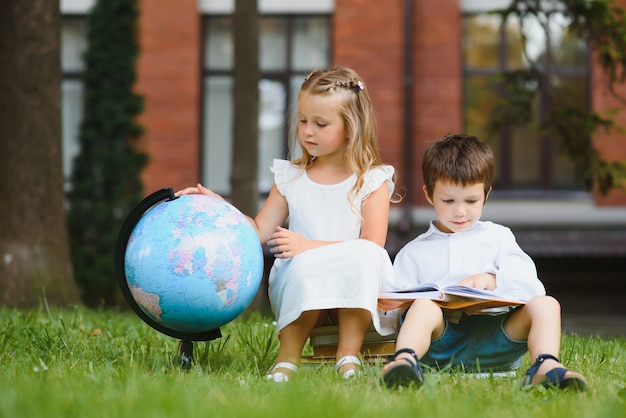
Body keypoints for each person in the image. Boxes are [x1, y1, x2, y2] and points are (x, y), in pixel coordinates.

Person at [177, 67, 398, 381]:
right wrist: (221, 207)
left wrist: (309, 246)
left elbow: (372, 245)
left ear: (351, 128)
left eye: (321, 124)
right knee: (301, 263)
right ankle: (287, 359)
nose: (307, 131)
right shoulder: (290, 179)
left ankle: (348, 356)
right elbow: (256, 231)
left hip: (354, 276)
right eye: (303, 120)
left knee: (363, 257)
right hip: (301, 276)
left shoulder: (371, 180)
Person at [380, 133, 587, 391]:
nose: (460, 211)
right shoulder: (413, 252)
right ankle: (406, 362)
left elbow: (531, 288)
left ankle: (546, 366)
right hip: (440, 346)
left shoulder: (498, 237)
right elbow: (391, 311)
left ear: (486, 194)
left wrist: (492, 280)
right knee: (423, 306)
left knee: (546, 304)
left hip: (496, 340)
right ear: (429, 195)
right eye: (448, 201)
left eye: (471, 201)